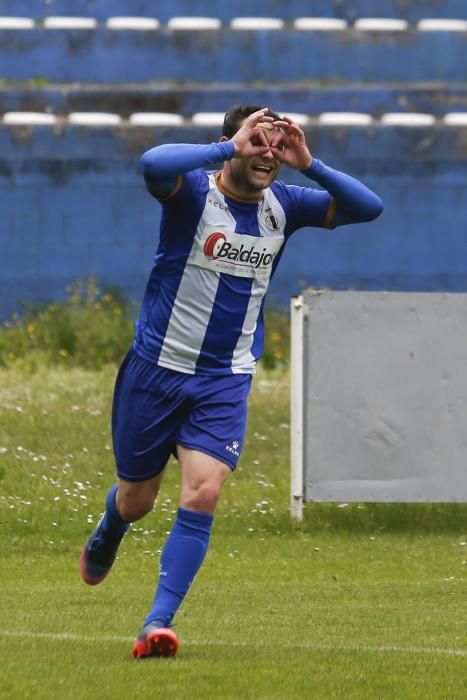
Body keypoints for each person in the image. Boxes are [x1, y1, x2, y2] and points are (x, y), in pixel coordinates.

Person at [80, 105, 383, 658]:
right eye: (259, 141)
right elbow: (152, 162)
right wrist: (231, 147)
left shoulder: (285, 206)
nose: (269, 153)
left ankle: (156, 626)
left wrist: (309, 163)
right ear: (233, 141)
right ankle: (111, 526)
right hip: (157, 370)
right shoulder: (193, 192)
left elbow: (370, 208)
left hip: (224, 379)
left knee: (204, 491)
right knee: (137, 501)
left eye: (277, 144)